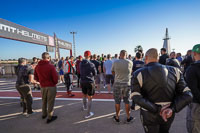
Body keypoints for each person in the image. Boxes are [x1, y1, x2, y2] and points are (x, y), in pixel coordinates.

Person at [131, 48, 193, 133]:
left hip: (149, 114)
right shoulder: (175, 71)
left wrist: (158, 109)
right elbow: (188, 95)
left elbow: (135, 97)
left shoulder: (138, 73)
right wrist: (172, 108)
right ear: (158, 58)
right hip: (168, 113)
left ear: (146, 58)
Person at [34, 52, 58, 124]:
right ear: (49, 58)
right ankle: (50, 117)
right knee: (50, 101)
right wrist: (54, 83)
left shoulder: (37, 67)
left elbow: (36, 77)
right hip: (51, 86)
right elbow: (55, 78)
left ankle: (44, 114)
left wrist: (41, 81)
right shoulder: (51, 66)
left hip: (42, 86)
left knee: (44, 100)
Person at [111, 50, 134, 123]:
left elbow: (112, 72)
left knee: (117, 101)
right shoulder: (130, 62)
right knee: (127, 101)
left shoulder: (115, 62)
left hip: (117, 83)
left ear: (119, 55)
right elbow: (130, 72)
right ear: (126, 55)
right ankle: (128, 117)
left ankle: (117, 117)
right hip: (126, 83)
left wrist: (118, 75)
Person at [186, 44, 200, 133]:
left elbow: (192, 89)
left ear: (194, 53)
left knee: (193, 126)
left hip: (196, 103)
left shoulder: (192, 68)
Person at [80, 50, 97, 118]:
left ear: (84, 55)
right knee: (90, 97)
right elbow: (95, 73)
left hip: (83, 81)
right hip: (90, 82)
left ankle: (84, 107)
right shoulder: (91, 64)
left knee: (84, 95)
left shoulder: (80, 63)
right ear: (90, 56)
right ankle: (88, 114)